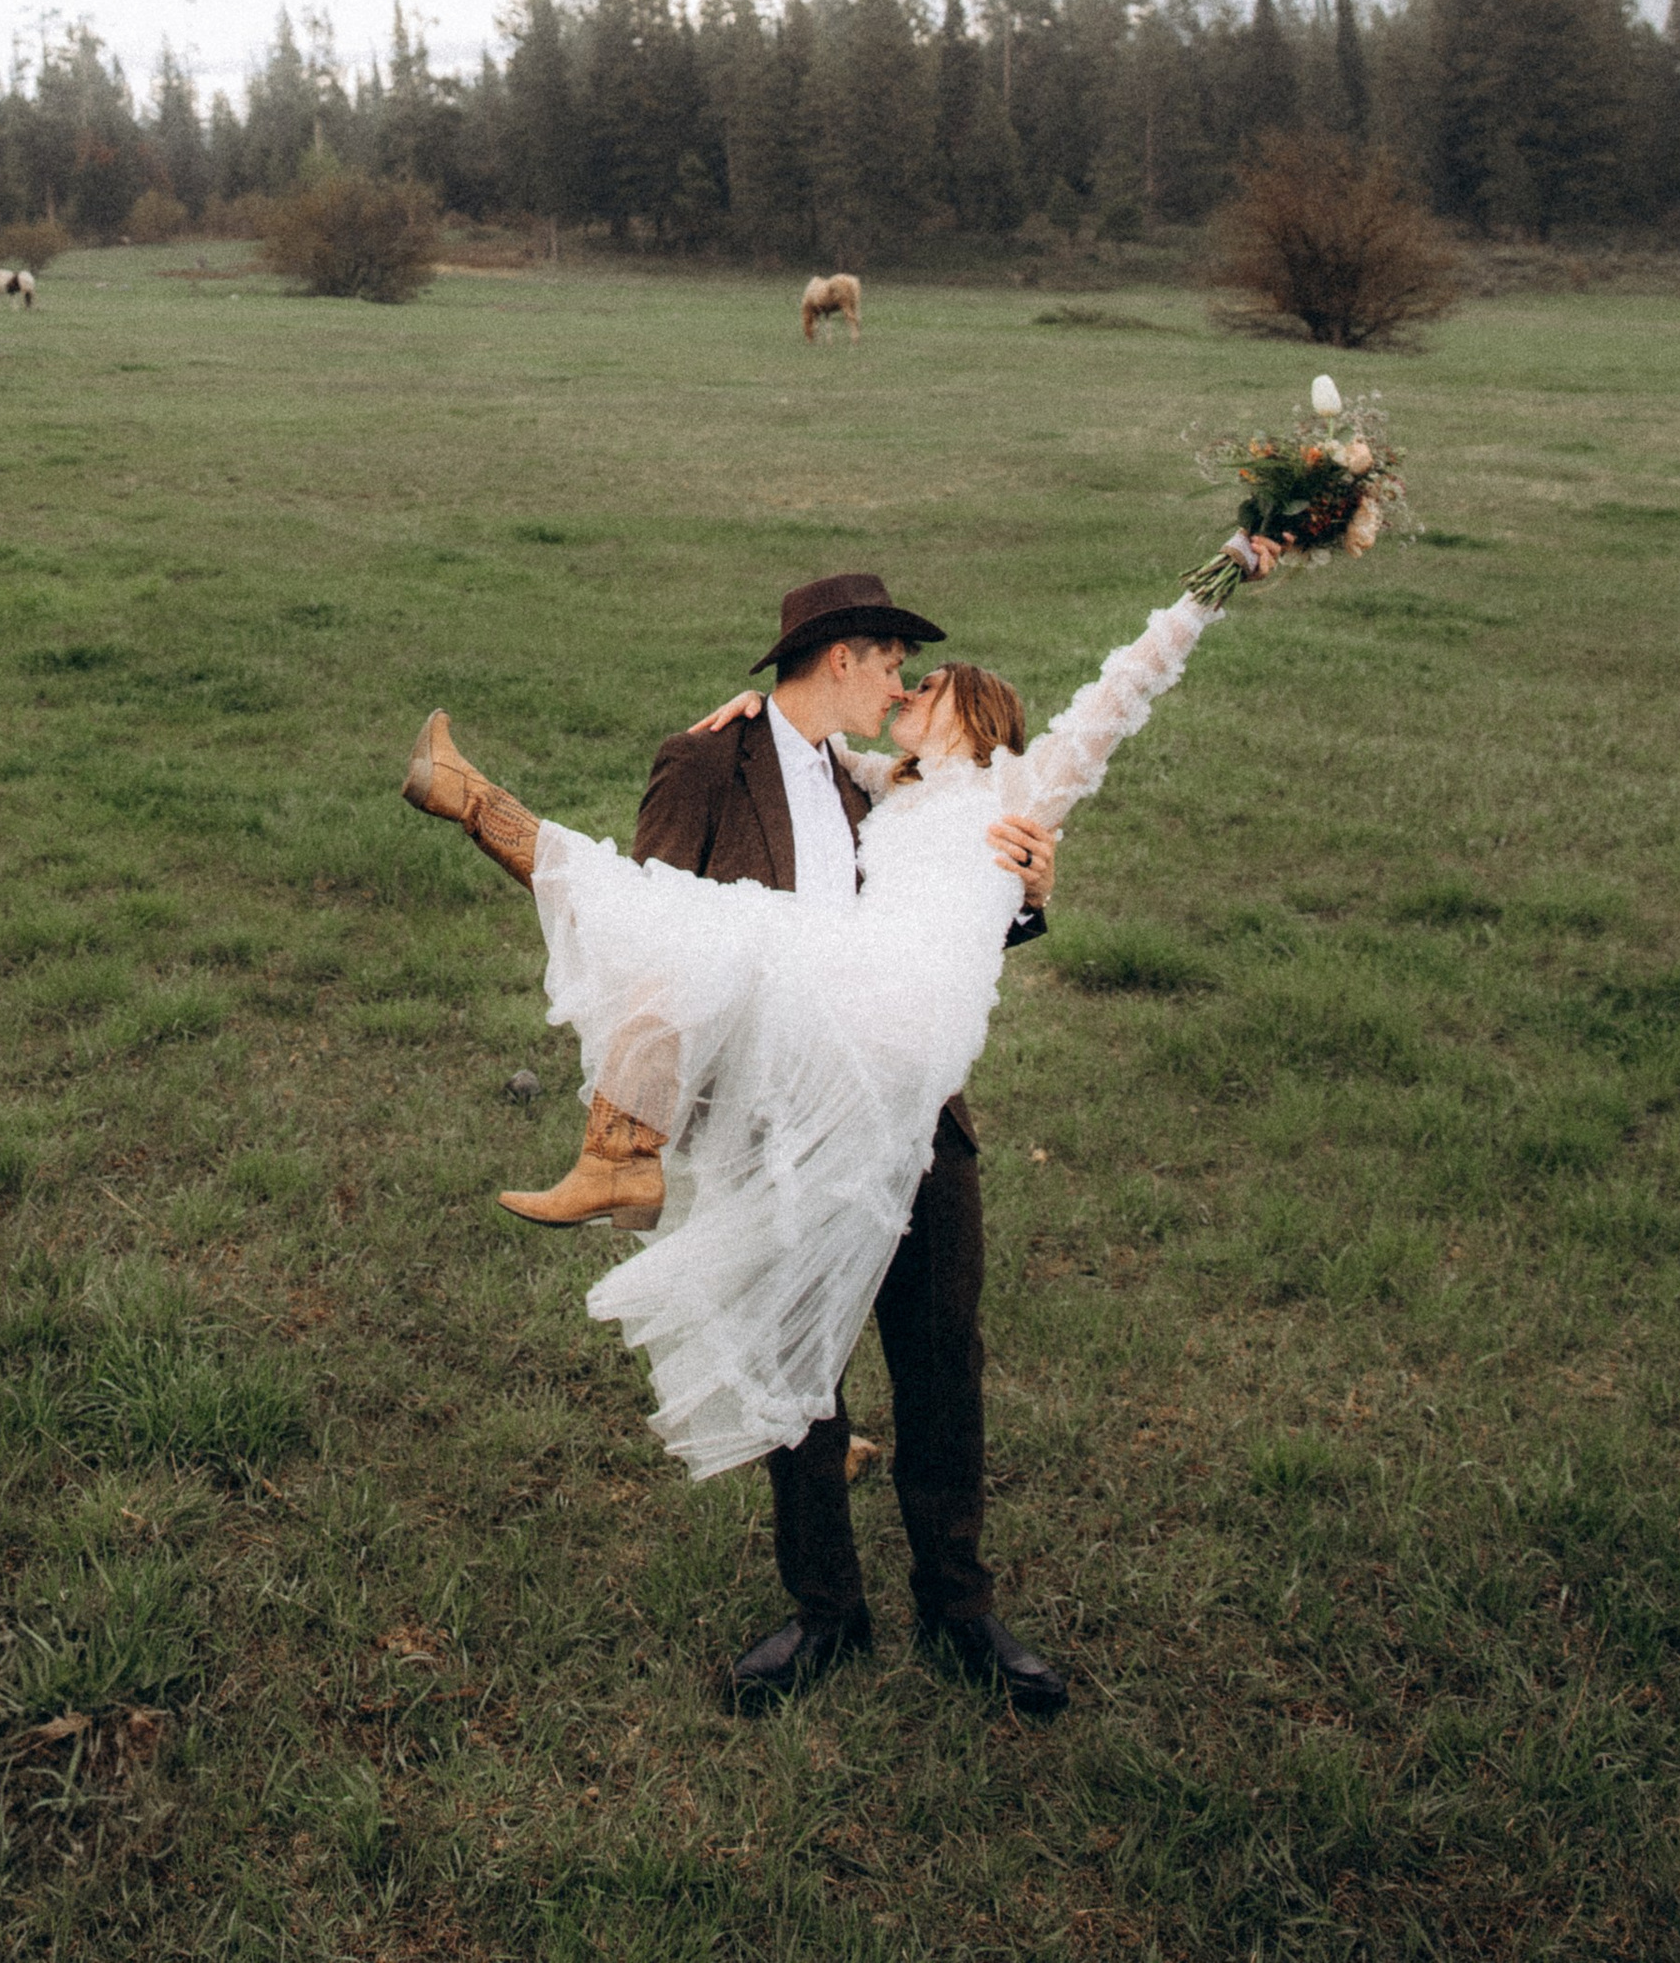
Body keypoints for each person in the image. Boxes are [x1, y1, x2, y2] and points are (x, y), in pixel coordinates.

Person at [403, 560, 1265, 1717]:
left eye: (923, 677)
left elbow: (937, 922)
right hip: (781, 1115)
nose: (905, 683)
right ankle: (826, 1613)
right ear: (843, 658)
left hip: (918, 1123)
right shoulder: (718, 757)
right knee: (794, 1370)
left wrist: (1029, 894)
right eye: (894, 662)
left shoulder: (888, 786)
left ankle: (960, 1611)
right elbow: (667, 946)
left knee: (942, 1365)